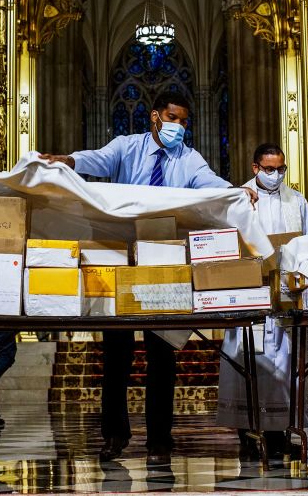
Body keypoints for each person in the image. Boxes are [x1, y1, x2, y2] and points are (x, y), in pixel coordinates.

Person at [41, 91, 255, 466]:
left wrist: (237, 192)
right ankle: (114, 435)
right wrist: (69, 160)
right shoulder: (127, 147)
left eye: (185, 121)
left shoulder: (188, 158)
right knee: (116, 356)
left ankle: (160, 439)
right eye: (173, 118)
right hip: (120, 261)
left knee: (162, 356)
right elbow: (99, 158)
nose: (179, 127)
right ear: (155, 116)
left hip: (164, 265)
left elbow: (210, 182)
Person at [218, 144, 308, 458]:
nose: (276, 175)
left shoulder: (296, 200)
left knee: (284, 367)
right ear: (255, 167)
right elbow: (224, 238)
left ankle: (280, 433)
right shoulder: (239, 198)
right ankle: (247, 433)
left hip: (285, 296)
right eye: (269, 169)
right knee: (247, 363)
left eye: (281, 169)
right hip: (249, 292)